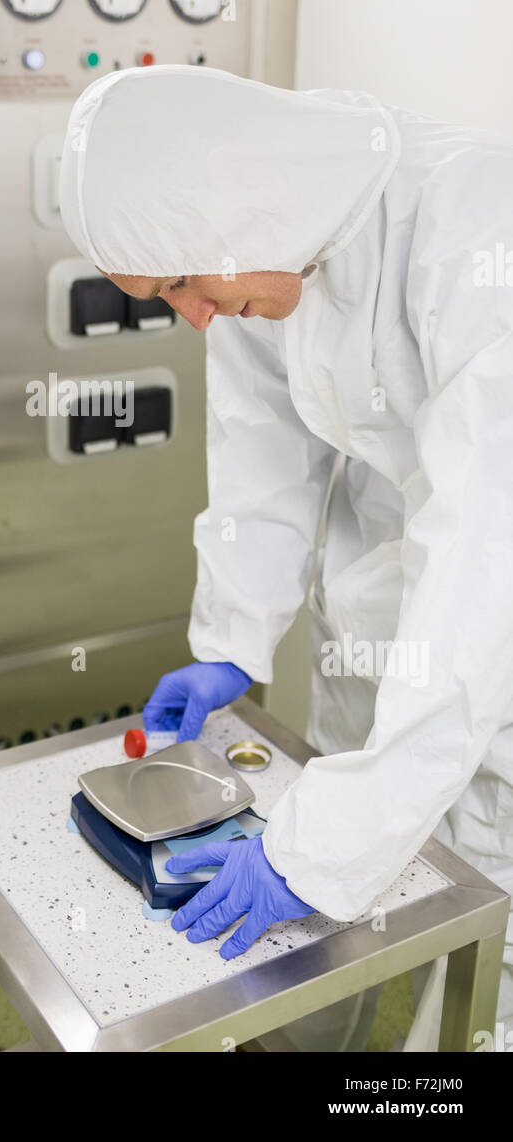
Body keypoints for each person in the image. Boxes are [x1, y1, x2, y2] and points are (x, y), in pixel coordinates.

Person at [59, 62, 513, 1051]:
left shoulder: (476, 232)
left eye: (177, 283)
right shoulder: (259, 246)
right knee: (339, 913)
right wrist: (231, 634)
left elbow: (486, 561)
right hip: (379, 631)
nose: (188, 313)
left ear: (234, 204)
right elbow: (261, 452)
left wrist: (324, 846)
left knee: (485, 966)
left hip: (491, 652)